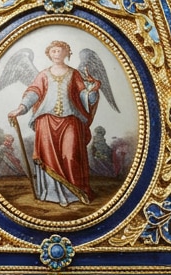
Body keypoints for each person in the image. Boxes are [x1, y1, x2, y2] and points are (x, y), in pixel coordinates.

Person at [8, 41, 101, 205]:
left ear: (66, 53)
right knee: (48, 156)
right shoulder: (43, 75)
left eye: (60, 51)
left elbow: (83, 96)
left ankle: (74, 193)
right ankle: (53, 194)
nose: (57, 53)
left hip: (70, 119)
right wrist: (20, 109)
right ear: (49, 54)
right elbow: (33, 93)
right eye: (53, 51)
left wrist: (92, 92)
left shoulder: (74, 74)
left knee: (70, 155)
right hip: (46, 120)